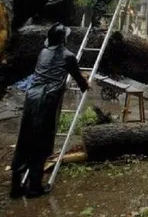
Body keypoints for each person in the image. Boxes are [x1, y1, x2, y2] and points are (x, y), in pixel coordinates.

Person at [10, 24, 89, 199]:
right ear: (63, 40)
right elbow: (78, 78)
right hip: (47, 100)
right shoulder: (68, 56)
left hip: (31, 98)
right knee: (41, 141)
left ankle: (15, 187)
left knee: (25, 140)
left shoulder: (42, 53)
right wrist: (86, 86)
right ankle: (34, 187)